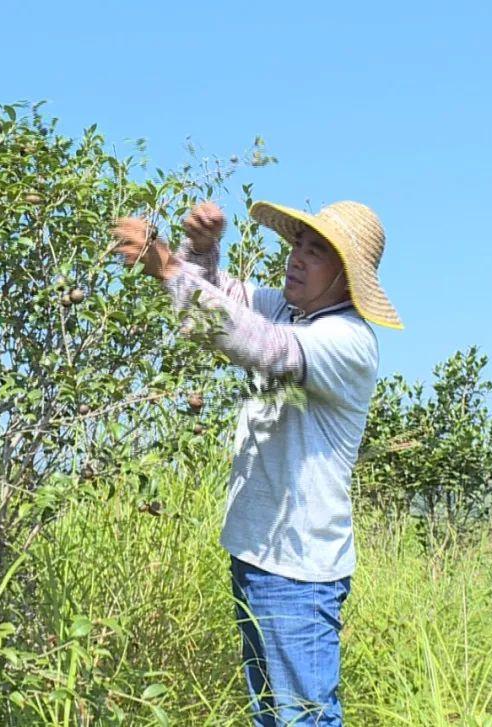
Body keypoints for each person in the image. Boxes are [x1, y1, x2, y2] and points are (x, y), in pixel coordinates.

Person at [111, 199, 402, 726]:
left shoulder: (347, 340)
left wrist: (169, 266)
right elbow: (213, 298)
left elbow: (253, 342)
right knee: (270, 715)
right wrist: (199, 248)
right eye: (297, 245)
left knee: (304, 718)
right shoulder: (288, 309)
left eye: (316, 253)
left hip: (300, 569)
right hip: (257, 552)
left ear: (347, 277)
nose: (297, 259)